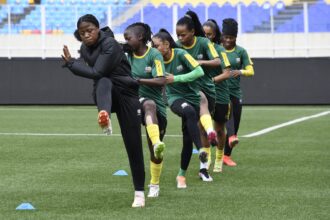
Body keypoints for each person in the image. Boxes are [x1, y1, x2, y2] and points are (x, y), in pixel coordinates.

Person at [61, 14, 146, 208]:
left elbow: (97, 71)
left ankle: (139, 193)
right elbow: (98, 76)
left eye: (90, 30)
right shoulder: (84, 48)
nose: (86, 35)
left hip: (127, 96)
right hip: (105, 94)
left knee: (133, 146)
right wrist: (73, 63)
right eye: (82, 33)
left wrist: (72, 64)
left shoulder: (110, 45)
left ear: (98, 29)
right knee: (103, 81)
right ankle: (105, 115)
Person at [152, 28, 206, 188]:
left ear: (167, 44)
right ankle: (202, 149)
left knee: (187, 138)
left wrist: (176, 78)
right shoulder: (156, 60)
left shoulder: (181, 54)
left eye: (156, 45)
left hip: (192, 98)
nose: (153, 49)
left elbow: (199, 71)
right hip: (174, 99)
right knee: (188, 111)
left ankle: (181, 175)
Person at [176, 10, 221, 181]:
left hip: (207, 87)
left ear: (193, 32)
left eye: (183, 35)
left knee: (200, 128)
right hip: (188, 91)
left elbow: (218, 61)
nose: (180, 38)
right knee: (193, 129)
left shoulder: (203, 42)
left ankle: (203, 166)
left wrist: (199, 63)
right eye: (178, 35)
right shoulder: (177, 47)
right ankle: (201, 168)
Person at [123, 22, 167, 198]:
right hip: (136, 103)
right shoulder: (127, 55)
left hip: (158, 107)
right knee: (148, 104)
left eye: (128, 38)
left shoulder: (154, 54)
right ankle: (157, 142)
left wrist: (138, 80)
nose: (126, 41)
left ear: (140, 37)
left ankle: (154, 184)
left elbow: (161, 80)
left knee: (155, 153)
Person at [221, 18, 255, 167]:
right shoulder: (216, 50)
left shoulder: (241, 51)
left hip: (235, 92)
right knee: (227, 115)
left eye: (231, 37)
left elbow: (251, 71)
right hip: (219, 91)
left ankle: (226, 156)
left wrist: (240, 71)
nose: (228, 40)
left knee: (237, 120)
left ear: (236, 37)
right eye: (226, 37)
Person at [203, 19, 232, 172]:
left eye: (209, 34)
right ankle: (206, 159)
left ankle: (219, 158)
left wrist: (211, 80)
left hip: (220, 95)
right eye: (204, 34)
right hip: (203, 96)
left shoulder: (220, 50)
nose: (206, 37)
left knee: (219, 129)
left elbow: (227, 73)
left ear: (214, 35)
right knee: (203, 128)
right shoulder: (199, 48)